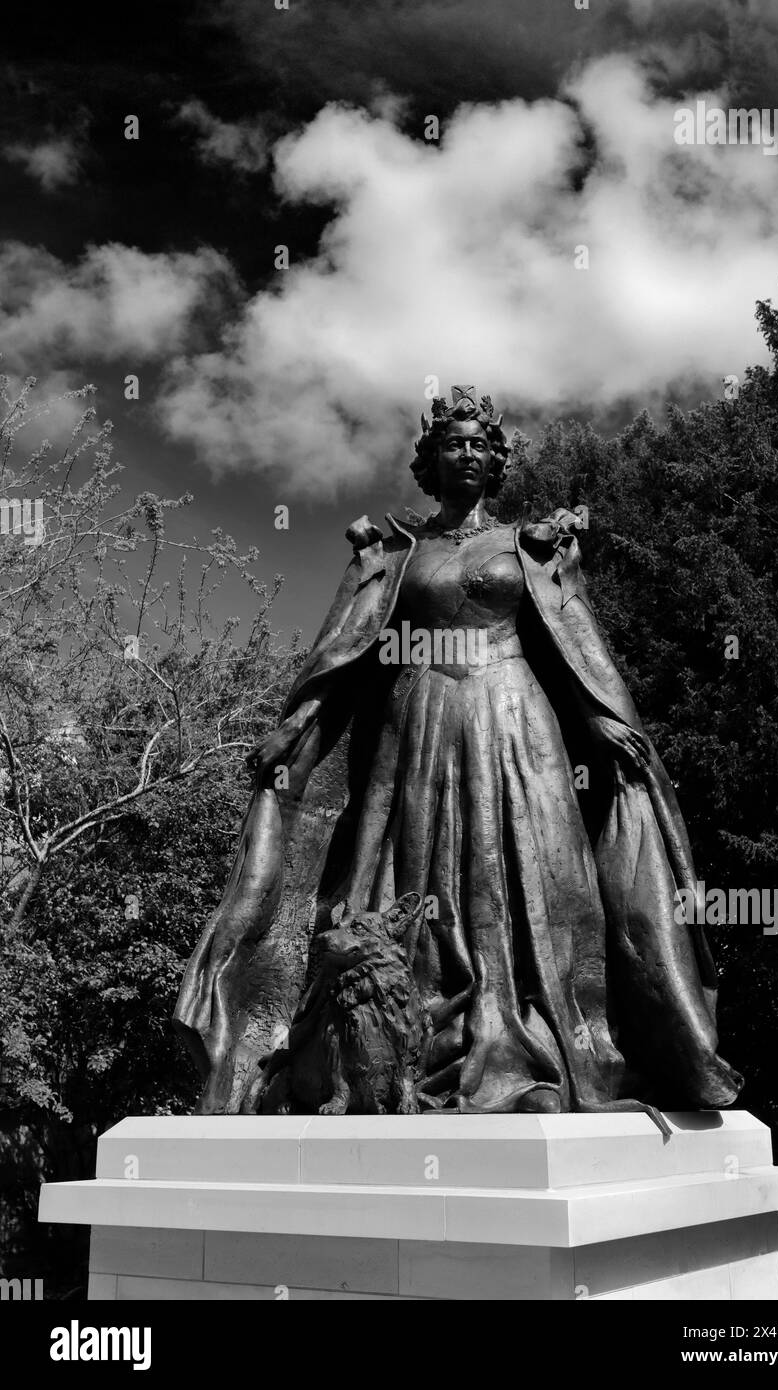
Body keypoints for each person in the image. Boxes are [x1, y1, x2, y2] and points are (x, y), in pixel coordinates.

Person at [175, 386, 742, 1116]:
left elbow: (576, 647)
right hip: (415, 730)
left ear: (496, 459)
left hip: (518, 723)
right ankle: (411, 1051)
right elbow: (344, 657)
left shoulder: (529, 547)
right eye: (453, 443)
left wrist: (603, 720)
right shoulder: (393, 555)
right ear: (431, 460)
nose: (467, 453)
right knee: (413, 882)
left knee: (533, 877)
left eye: (479, 443)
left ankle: (535, 1043)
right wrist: (297, 735)